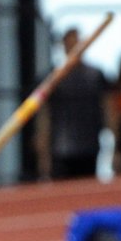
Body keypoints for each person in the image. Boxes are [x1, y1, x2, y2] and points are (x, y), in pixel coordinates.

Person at [36, 27, 110, 181]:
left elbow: (108, 107)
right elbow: (44, 113)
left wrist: (114, 140)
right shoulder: (52, 77)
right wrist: (43, 149)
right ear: (63, 45)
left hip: (89, 143)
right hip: (61, 147)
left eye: (77, 42)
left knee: (88, 189)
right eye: (69, 43)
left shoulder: (96, 75)